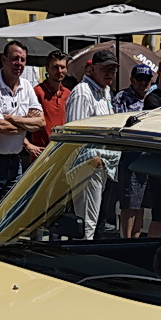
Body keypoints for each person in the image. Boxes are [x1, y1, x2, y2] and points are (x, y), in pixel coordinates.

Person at [0, 39, 44, 211]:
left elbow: (41, 122)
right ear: (3, 60)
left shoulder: (27, 86)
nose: (19, 64)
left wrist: (12, 118)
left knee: (11, 212)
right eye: (15, 58)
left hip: (16, 161)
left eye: (23, 60)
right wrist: (27, 122)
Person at [66, 49, 119, 238]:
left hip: (101, 165)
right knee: (87, 223)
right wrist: (94, 160)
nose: (110, 73)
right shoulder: (83, 92)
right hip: (87, 166)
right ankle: (79, 260)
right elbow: (76, 134)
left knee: (93, 220)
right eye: (105, 68)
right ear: (92, 69)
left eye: (113, 69)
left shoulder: (105, 92)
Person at [28, 49, 70, 152]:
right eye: (55, 67)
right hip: (42, 154)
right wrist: (28, 145)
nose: (59, 71)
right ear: (47, 68)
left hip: (62, 153)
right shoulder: (37, 92)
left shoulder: (68, 93)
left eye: (62, 67)